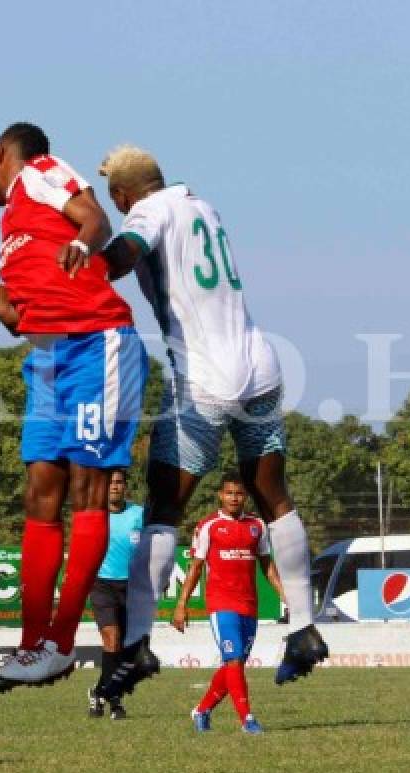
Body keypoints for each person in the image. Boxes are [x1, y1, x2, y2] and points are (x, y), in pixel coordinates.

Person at [88, 145, 328, 699]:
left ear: (123, 195)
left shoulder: (148, 211)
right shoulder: (204, 207)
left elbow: (127, 249)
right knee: (274, 497)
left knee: (163, 510)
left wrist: (92, 263)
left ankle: (138, 643)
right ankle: (304, 628)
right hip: (261, 369)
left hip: (203, 385)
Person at [0, 122, 148, 690]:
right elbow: (13, 317)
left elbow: (95, 217)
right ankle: (32, 649)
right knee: (39, 494)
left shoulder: (41, 171)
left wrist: (83, 241)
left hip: (96, 342)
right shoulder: (11, 227)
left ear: (1, 153)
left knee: (87, 492)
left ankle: (59, 641)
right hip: (47, 357)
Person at [172, 474, 283, 735]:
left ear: (245, 497)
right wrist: (181, 604)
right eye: (229, 493)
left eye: (239, 494)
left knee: (234, 665)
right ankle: (248, 720)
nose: (234, 498)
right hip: (221, 603)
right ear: (220, 495)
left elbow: (267, 566)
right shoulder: (208, 526)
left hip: (249, 605)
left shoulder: (257, 526)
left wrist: (284, 595)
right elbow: (195, 567)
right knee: (232, 661)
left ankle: (202, 710)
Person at [87, 469, 143, 720]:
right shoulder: (93, 515)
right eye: (110, 483)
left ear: (125, 486)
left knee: (122, 648)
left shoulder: (139, 514)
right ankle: (115, 700)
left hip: (131, 586)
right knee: (111, 637)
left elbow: (151, 548)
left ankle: (99, 692)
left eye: (119, 482)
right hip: (102, 583)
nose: (115, 487)